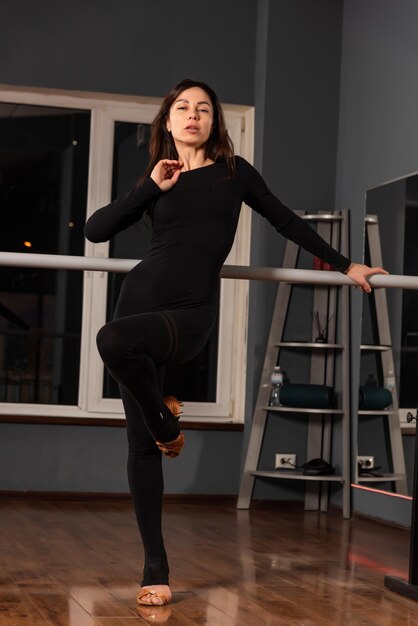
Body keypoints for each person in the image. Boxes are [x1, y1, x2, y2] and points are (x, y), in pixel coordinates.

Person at [84, 78, 387, 607]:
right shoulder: (159, 179)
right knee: (137, 438)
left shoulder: (233, 172)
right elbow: (95, 230)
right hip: (138, 300)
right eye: (182, 108)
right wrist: (151, 188)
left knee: (113, 344)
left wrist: (345, 264)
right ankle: (155, 568)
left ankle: (163, 418)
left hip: (189, 315)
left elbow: (285, 218)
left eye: (203, 108)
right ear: (168, 121)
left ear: (214, 121)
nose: (193, 115)